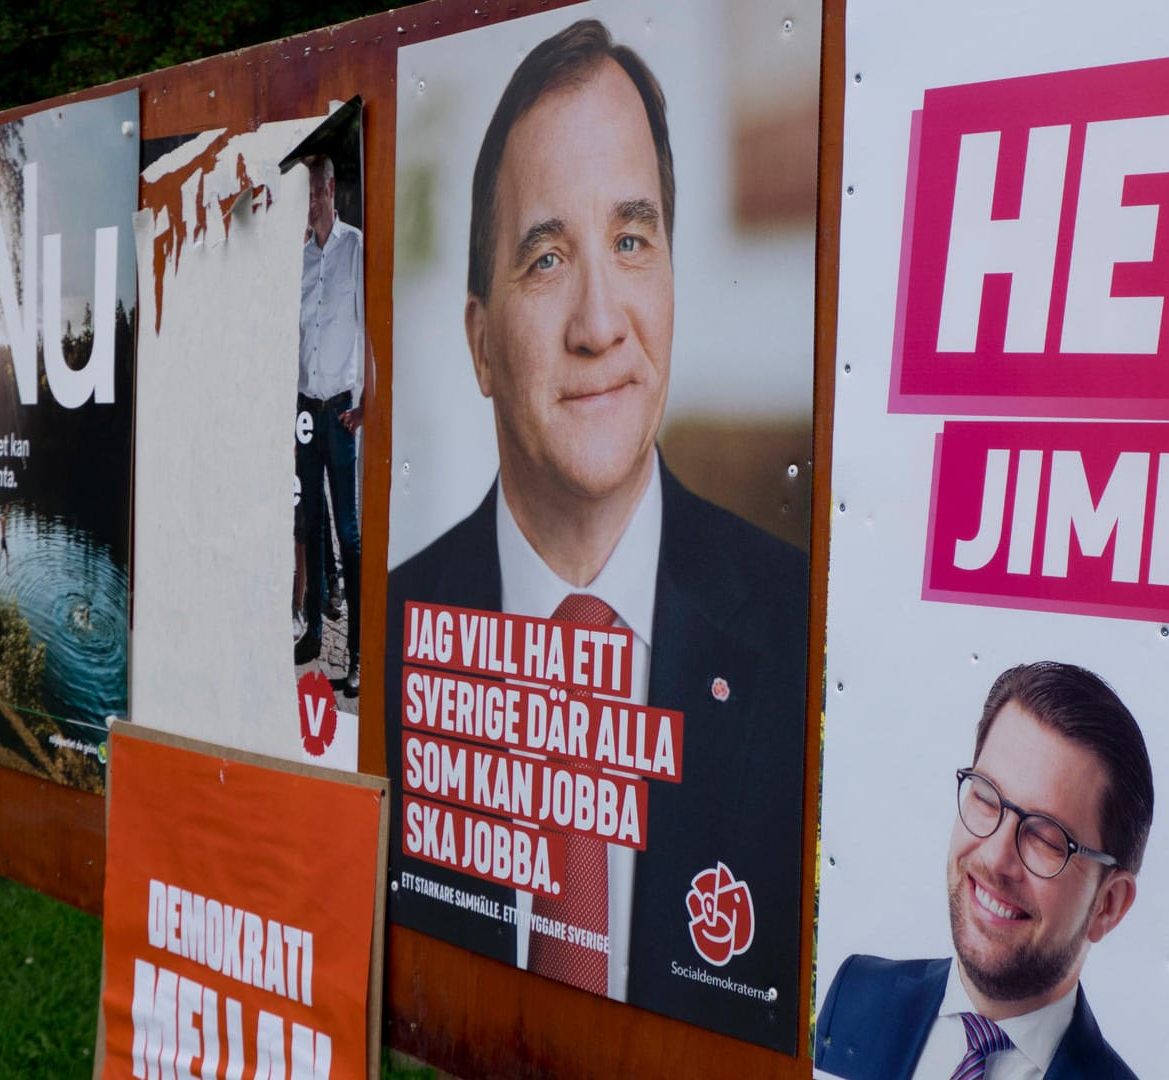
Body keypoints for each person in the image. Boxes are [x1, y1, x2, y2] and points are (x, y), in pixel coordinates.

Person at [383, 19, 806, 1044]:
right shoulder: (386, 650)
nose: (599, 321)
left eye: (630, 241)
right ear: (481, 343)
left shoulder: (804, 636)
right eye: (545, 257)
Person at [814, 662, 1153, 1080]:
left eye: (1046, 839)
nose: (996, 858)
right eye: (986, 799)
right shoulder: (855, 996)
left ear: (1109, 905)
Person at [293, 153, 364, 693]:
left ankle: (357, 654)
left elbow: (371, 327)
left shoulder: (354, 248)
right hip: (304, 410)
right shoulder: (297, 260)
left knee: (349, 532)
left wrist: (365, 405)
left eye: (318, 192)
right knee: (311, 526)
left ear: (333, 190)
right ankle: (315, 632)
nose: (312, 203)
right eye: (307, 195)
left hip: (340, 412)